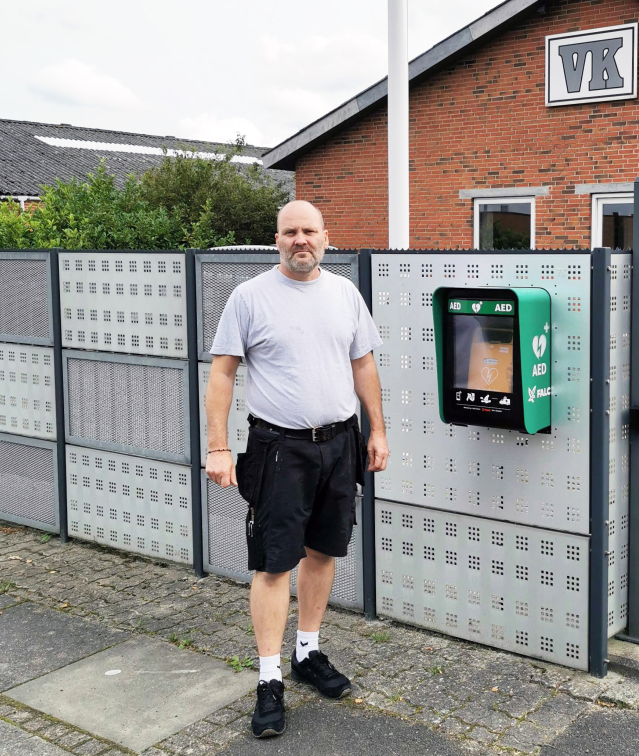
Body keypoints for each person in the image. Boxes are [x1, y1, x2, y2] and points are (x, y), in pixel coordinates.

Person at [205, 200, 388, 738]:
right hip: (278, 448)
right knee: (273, 563)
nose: (300, 240)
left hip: (340, 443)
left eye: (309, 231)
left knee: (324, 551)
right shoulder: (249, 297)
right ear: (277, 240)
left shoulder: (345, 294)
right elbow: (222, 374)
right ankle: (269, 679)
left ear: (326, 238)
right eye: (290, 232)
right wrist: (218, 447)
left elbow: (363, 363)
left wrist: (377, 430)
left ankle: (307, 652)